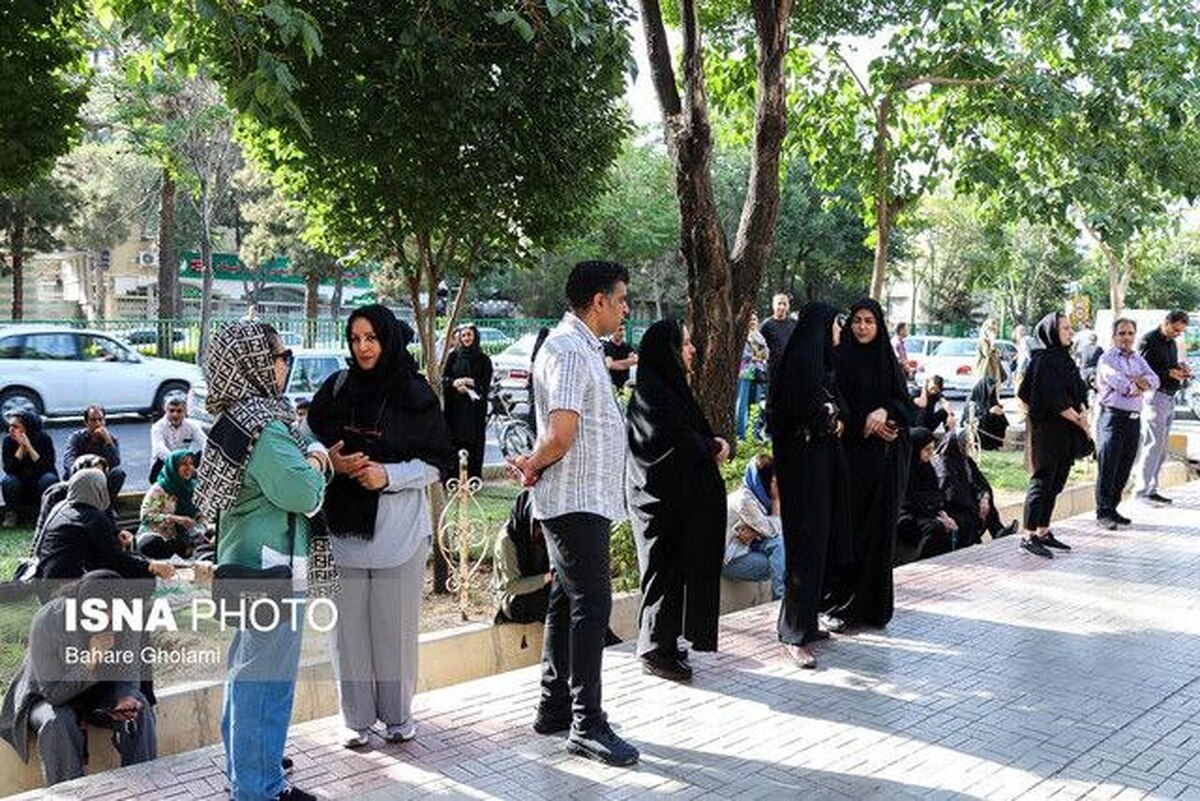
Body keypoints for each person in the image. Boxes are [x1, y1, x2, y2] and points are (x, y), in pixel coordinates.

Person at [508, 260, 639, 767]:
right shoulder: (566, 349)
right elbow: (561, 434)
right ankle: (588, 723)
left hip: (586, 499)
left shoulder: (584, 348)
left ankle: (555, 705)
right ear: (599, 301)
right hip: (573, 502)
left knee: (567, 601)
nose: (626, 308)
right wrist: (532, 464)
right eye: (622, 299)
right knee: (592, 605)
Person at [307, 304, 453, 751]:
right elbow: (308, 436)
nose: (363, 347)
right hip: (343, 530)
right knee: (347, 632)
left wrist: (388, 476)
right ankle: (355, 720)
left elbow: (437, 461)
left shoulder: (415, 394)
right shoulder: (336, 388)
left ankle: (397, 716)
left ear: (387, 339)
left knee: (394, 630)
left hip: (398, 532)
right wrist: (329, 459)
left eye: (371, 338)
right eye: (355, 339)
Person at [194, 321, 329, 801]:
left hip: (244, 564)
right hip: (270, 571)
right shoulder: (265, 428)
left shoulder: (235, 416)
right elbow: (303, 493)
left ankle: (256, 778)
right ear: (252, 362)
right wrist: (315, 459)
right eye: (277, 354)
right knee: (264, 687)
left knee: (248, 678)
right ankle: (257, 790)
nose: (283, 363)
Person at [626, 320, 727, 682]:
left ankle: (665, 642)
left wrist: (708, 443)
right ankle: (653, 648)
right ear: (668, 351)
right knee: (661, 575)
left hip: (676, 504)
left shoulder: (668, 390)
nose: (692, 349)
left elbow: (688, 435)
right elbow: (672, 446)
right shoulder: (649, 396)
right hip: (657, 506)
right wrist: (712, 446)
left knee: (673, 575)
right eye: (685, 343)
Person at [0, 570, 157, 786]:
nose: (110, 619)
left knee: (139, 709)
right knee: (59, 721)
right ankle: (71, 792)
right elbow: (53, 695)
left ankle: (145, 787)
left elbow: (130, 667)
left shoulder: (127, 614)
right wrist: (89, 663)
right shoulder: (49, 620)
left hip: (97, 693)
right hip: (44, 696)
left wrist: (125, 696)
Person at [769, 301, 847, 669]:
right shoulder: (800, 363)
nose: (838, 332)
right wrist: (828, 418)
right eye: (835, 325)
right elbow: (803, 412)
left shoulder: (819, 362)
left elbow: (829, 408)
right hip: (802, 471)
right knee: (804, 545)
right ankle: (793, 633)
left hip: (819, 466)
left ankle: (808, 621)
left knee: (818, 543)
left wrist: (832, 416)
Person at [825, 298, 912, 631]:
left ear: (879, 326)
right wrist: (863, 419)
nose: (862, 327)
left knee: (877, 534)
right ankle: (839, 605)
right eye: (857, 320)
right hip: (848, 461)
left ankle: (871, 607)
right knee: (847, 532)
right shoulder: (838, 357)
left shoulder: (886, 360)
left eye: (869, 321)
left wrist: (885, 415)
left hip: (881, 465)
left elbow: (904, 404)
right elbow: (835, 402)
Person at [1017, 312, 1089, 559]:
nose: (1070, 332)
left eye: (1070, 328)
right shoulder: (1044, 360)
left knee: (1056, 482)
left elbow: (1078, 390)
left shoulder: (1065, 358)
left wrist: (1083, 410)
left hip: (1067, 430)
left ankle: (1043, 530)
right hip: (1047, 431)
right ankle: (1028, 535)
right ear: (1051, 332)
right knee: (1042, 481)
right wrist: (1078, 419)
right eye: (1065, 328)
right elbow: (1051, 397)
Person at [35, 469, 174, 585]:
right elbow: (116, 557)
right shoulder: (91, 516)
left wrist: (114, 535)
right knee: (143, 576)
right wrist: (151, 566)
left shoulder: (61, 506)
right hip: (66, 590)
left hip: (45, 583)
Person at [1095, 318, 1159, 529]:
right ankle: (1103, 512)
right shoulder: (1107, 359)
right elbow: (1120, 384)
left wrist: (1137, 381)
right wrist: (1137, 383)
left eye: (1130, 333)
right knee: (1109, 466)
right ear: (1114, 336)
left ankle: (1113, 508)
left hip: (1133, 420)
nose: (1126, 337)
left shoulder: (1138, 358)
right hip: (1113, 418)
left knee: (1124, 466)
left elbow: (1155, 380)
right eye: (1122, 333)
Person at [1133, 310, 1191, 505]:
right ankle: (1141, 491)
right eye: (1175, 329)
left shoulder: (1172, 344)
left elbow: (1171, 365)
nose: (1177, 334)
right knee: (1152, 445)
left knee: (1162, 447)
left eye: (1180, 331)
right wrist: (1168, 373)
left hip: (1169, 397)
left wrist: (1181, 370)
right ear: (1166, 322)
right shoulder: (1149, 340)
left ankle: (1152, 488)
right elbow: (1142, 370)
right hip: (1155, 397)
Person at [932, 434, 1017, 548]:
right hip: (953, 506)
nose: (968, 447)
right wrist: (974, 504)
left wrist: (984, 497)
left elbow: (980, 481)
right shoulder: (943, 464)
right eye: (965, 445)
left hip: (967, 498)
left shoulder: (965, 460)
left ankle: (997, 530)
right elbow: (951, 493)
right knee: (969, 515)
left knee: (987, 502)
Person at [723, 455, 786, 602]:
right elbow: (774, 531)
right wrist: (777, 501)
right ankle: (780, 600)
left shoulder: (756, 497)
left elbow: (771, 530)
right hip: (731, 562)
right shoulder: (745, 500)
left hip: (746, 550)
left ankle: (783, 600)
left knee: (781, 548)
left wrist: (756, 531)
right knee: (782, 557)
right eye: (774, 481)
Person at [895, 428, 960, 564]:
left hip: (925, 512)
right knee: (935, 528)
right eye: (927, 449)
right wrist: (935, 515)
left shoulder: (927, 468)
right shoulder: (902, 469)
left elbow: (936, 494)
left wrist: (943, 515)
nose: (931, 454)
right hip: (905, 515)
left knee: (954, 523)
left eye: (932, 449)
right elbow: (907, 501)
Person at [442, 323, 494, 480]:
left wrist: (470, 382)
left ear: (475, 337)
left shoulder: (484, 360)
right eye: (463, 335)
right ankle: (452, 478)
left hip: (474, 411)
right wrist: (454, 383)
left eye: (469, 335)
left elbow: (485, 383)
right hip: (455, 408)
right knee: (454, 440)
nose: (466, 338)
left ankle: (472, 479)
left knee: (473, 443)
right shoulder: (453, 357)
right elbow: (444, 379)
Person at [492, 489, 552, 624]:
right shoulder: (508, 539)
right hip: (514, 600)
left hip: (541, 592)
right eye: (539, 525)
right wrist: (548, 577)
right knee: (559, 601)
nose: (542, 530)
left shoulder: (546, 535)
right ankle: (606, 643)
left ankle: (604, 642)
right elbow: (512, 586)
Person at [136, 450, 206, 559]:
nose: (189, 468)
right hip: (158, 537)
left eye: (191, 463)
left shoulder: (192, 487)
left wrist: (203, 525)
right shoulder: (160, 489)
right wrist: (176, 519)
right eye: (184, 464)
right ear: (173, 467)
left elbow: (198, 514)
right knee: (152, 544)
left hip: (183, 538)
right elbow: (146, 516)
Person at [1, 411, 58, 527]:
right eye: (10, 426)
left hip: (40, 479)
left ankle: (46, 514)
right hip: (20, 482)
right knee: (8, 481)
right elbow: (9, 469)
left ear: (27, 428)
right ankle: (11, 513)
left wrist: (29, 447)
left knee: (49, 479)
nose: (10, 430)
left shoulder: (44, 439)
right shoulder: (8, 441)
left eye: (15, 427)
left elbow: (47, 466)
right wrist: (21, 448)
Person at [62, 406, 125, 504]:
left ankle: (108, 505)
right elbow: (68, 460)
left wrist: (108, 441)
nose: (97, 424)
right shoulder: (76, 437)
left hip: (101, 478)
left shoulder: (111, 439)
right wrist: (83, 472)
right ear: (86, 422)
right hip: (80, 475)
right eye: (93, 420)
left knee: (118, 473)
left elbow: (115, 462)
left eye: (100, 420)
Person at [148, 396, 206, 482]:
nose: (175, 414)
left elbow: (205, 443)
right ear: (166, 411)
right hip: (164, 464)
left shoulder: (192, 425)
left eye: (179, 411)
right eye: (172, 411)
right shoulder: (158, 427)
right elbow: (159, 449)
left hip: (185, 464)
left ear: (185, 412)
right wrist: (179, 463)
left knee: (205, 452)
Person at [736, 312, 770, 440]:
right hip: (745, 371)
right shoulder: (742, 335)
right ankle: (741, 435)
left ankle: (754, 433)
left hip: (758, 371)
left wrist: (758, 356)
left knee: (756, 403)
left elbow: (767, 353)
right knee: (742, 403)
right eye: (750, 319)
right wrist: (756, 356)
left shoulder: (759, 336)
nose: (753, 321)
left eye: (755, 319)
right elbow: (743, 355)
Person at [759, 293, 795, 382]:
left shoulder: (794, 324)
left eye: (785, 304)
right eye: (779, 303)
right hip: (773, 370)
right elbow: (760, 348)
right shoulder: (766, 325)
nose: (782, 307)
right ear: (773, 305)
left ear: (788, 306)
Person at [969, 376, 1008, 451]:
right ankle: (985, 445)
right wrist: (990, 412)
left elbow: (992, 405)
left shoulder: (990, 397)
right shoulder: (974, 398)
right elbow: (972, 416)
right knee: (985, 421)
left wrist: (998, 409)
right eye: (991, 388)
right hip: (978, 423)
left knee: (1001, 419)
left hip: (988, 419)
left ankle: (995, 444)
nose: (991, 390)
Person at [602, 325, 638, 391]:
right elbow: (610, 365)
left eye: (624, 330)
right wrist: (627, 362)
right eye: (620, 330)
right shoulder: (607, 347)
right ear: (613, 332)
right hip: (610, 385)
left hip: (625, 385)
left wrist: (618, 364)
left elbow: (634, 360)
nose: (622, 333)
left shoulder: (627, 347)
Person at [975, 319, 1003, 385]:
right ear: (985, 330)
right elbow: (987, 353)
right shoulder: (983, 341)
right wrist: (992, 342)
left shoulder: (992, 343)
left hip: (994, 373)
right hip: (985, 373)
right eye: (990, 329)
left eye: (994, 329)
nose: (993, 332)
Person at [1013, 324, 1031, 392]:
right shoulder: (1028, 340)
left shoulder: (1024, 341)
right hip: (1025, 370)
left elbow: (1027, 355)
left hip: (1023, 371)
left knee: (1019, 391)